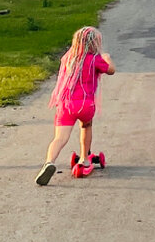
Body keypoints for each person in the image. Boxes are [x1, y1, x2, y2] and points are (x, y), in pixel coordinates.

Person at [35, 25, 115, 185]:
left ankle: (49, 162)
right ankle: (85, 159)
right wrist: (107, 57)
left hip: (66, 104)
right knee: (86, 127)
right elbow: (111, 70)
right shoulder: (94, 59)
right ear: (94, 44)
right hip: (86, 105)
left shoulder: (68, 58)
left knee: (59, 138)